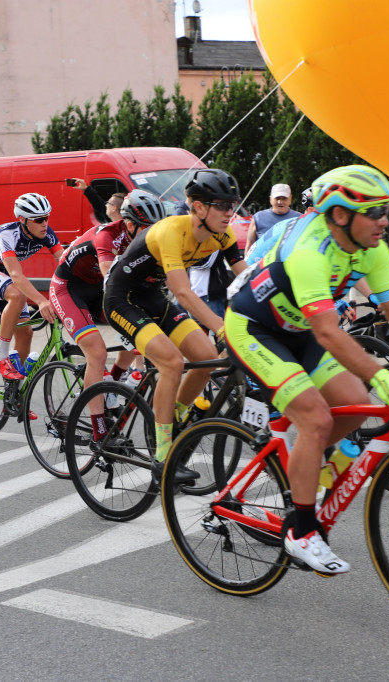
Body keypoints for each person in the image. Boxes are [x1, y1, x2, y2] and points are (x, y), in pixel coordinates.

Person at [225, 165, 389, 575]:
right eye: (375, 212)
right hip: (254, 329)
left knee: (359, 406)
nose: (385, 221)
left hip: (299, 328)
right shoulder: (310, 251)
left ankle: (311, 469)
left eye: (387, 210)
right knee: (315, 418)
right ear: (341, 215)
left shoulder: (371, 247)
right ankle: (300, 533)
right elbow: (328, 332)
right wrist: (381, 375)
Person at [103, 168, 248, 482]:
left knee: (206, 356)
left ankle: (177, 414)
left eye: (231, 205)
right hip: (122, 299)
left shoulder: (224, 234)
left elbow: (248, 279)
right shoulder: (171, 231)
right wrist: (222, 326)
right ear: (198, 207)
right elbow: (182, 290)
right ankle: (162, 459)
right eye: (222, 205)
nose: (229, 213)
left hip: (153, 298)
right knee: (171, 362)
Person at [49, 189, 165, 442]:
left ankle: (109, 385)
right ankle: (99, 430)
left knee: (137, 331)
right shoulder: (108, 236)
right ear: (131, 224)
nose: (152, 234)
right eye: (147, 228)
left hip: (97, 290)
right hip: (69, 288)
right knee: (98, 353)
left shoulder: (146, 238)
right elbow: (110, 279)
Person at [0, 193, 63, 380]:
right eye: (39, 219)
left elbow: (65, 263)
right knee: (18, 295)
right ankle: (1, 357)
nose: (45, 223)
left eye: (47, 217)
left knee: (26, 332)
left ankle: (14, 402)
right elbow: (17, 275)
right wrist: (41, 301)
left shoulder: (46, 233)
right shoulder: (7, 234)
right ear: (22, 219)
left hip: (3, 274)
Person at [245, 183, 302, 251]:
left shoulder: (300, 218)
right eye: (277, 198)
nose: (280, 202)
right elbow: (249, 246)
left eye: (284, 198)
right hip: (262, 261)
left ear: (290, 199)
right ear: (270, 199)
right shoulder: (258, 218)